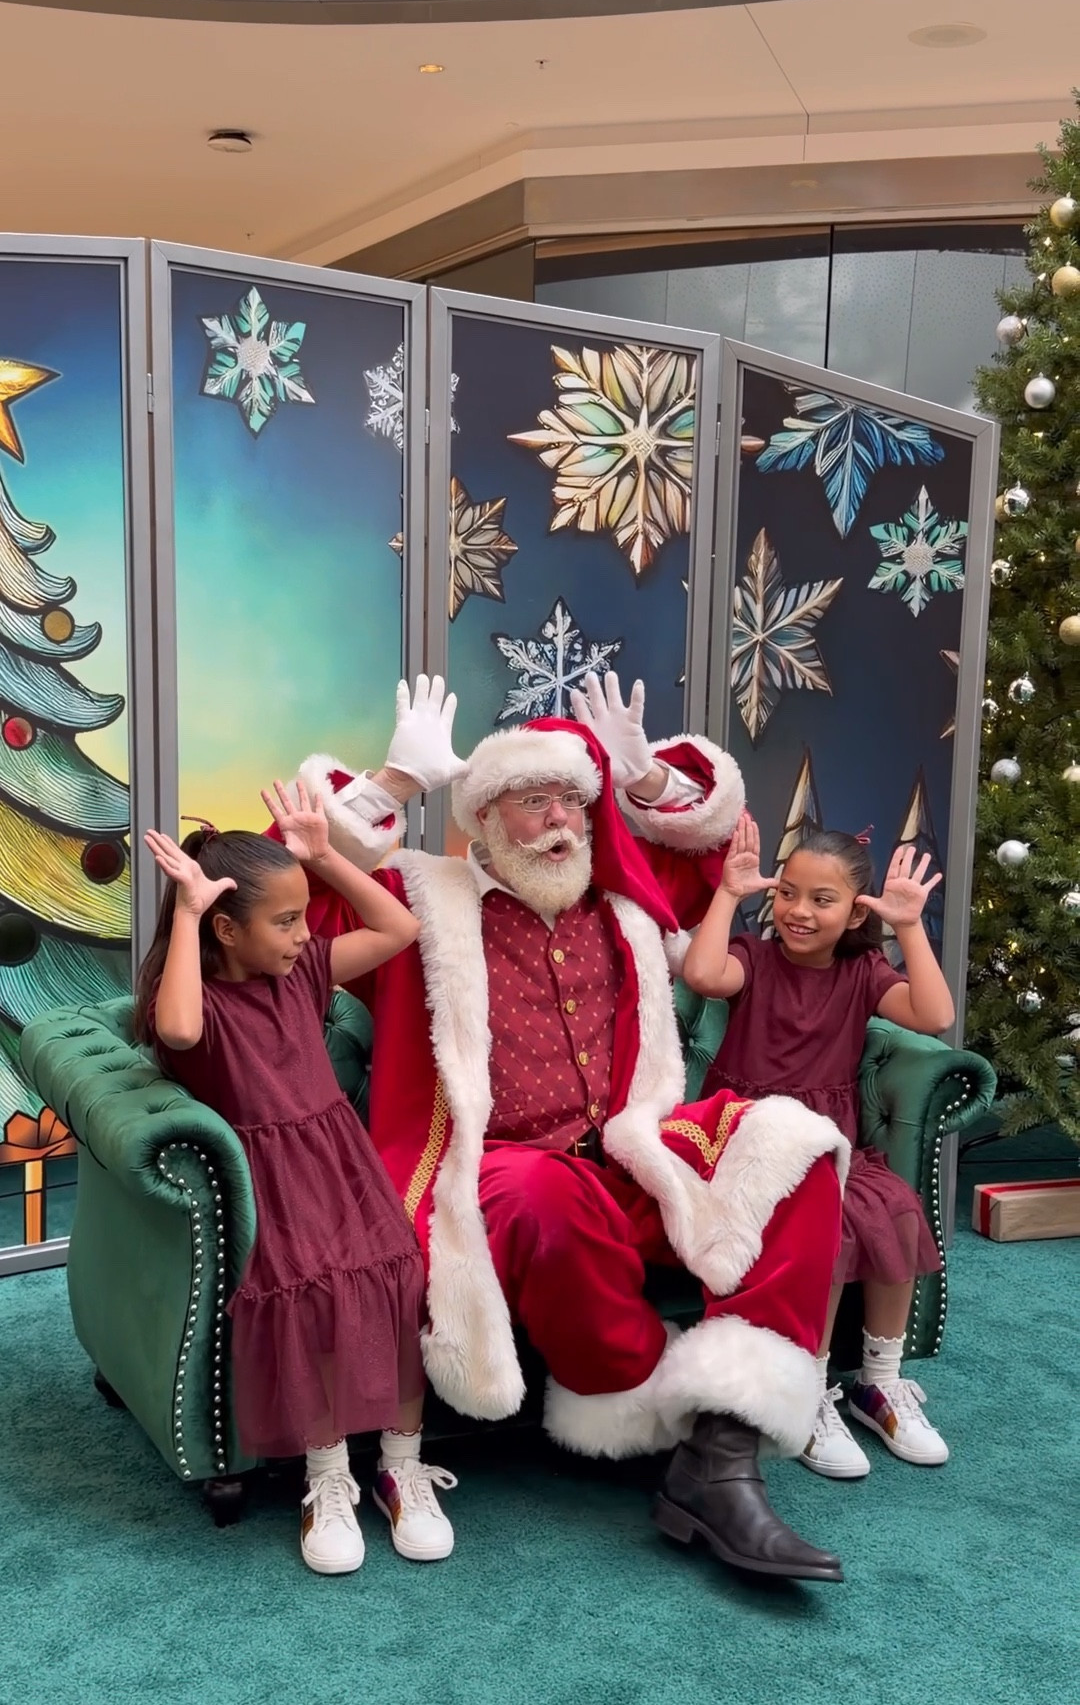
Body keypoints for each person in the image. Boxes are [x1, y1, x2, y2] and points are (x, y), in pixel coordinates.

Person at [271, 674, 852, 1586]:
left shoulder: (620, 901)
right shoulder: (419, 897)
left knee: (794, 1141)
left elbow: (710, 846)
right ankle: (653, 1401)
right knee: (542, 1196)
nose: (559, 822)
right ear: (484, 819)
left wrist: (645, 779)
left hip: (628, 1149)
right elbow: (276, 898)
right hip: (494, 1164)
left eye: (572, 802)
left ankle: (721, 1447)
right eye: (533, 802)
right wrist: (395, 782)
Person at [134, 783, 458, 1575]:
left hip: (338, 1160)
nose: (303, 933)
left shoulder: (303, 970)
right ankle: (328, 1476)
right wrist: (186, 914)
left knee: (399, 1278)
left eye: (303, 915)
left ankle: (401, 1467)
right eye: (284, 920)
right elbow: (177, 1028)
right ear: (225, 929)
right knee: (309, 1297)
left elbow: (400, 928)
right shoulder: (196, 997)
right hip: (269, 1180)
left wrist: (323, 859)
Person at [682, 817, 955, 1481]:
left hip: (828, 1145)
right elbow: (704, 973)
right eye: (788, 893)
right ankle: (808, 1389)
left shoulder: (862, 972)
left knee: (892, 1207)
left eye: (821, 900)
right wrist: (729, 893)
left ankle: (878, 1382)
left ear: (856, 911)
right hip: (749, 1139)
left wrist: (908, 927)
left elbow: (935, 1016)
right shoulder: (753, 957)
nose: (799, 911)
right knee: (824, 1220)